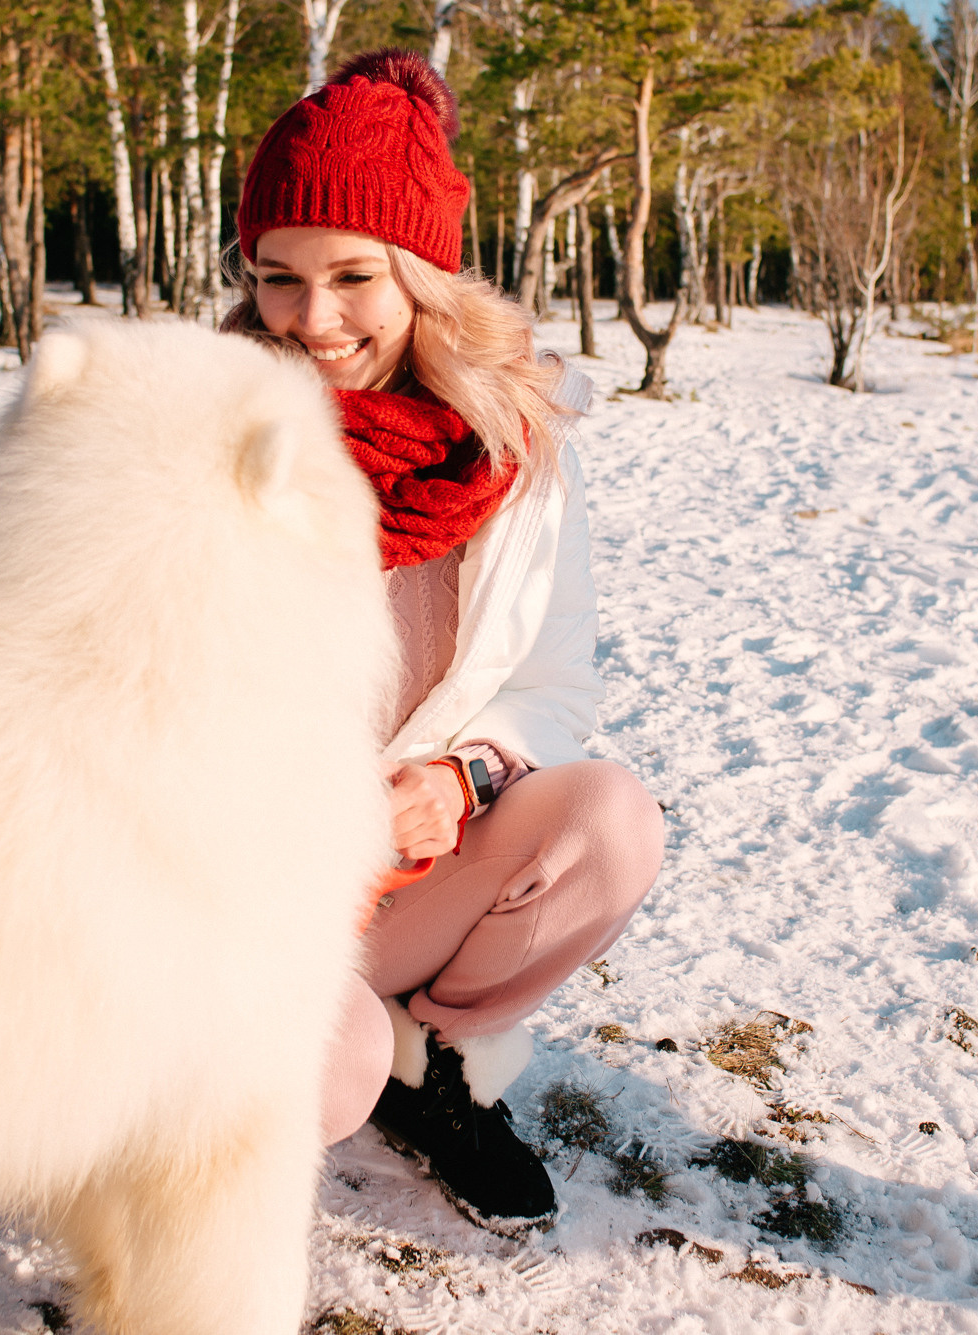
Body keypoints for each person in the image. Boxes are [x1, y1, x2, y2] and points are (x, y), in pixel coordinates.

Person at [222, 48, 665, 1237]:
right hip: (221, 892)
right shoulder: (201, 440)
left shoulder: (507, 451)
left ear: (419, 274)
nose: (309, 320)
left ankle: (438, 1071)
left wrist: (458, 777)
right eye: (276, 277)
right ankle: (168, 1159)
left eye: (351, 275)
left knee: (607, 820)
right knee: (323, 1071)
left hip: (394, 875)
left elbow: (552, 686)